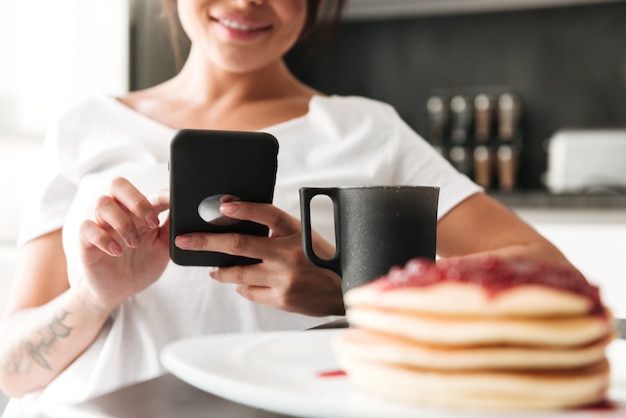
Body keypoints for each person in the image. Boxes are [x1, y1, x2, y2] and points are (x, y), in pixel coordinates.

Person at [0, 0, 572, 415]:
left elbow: (553, 276)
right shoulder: (85, 127)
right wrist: (94, 296)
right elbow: (14, 373)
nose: (248, 1)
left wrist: (348, 287)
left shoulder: (368, 131)